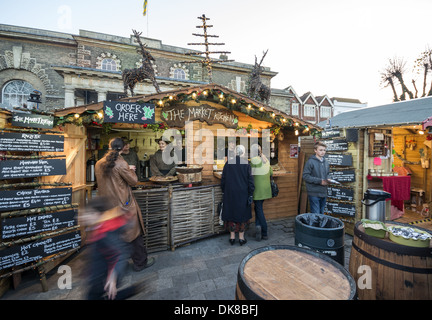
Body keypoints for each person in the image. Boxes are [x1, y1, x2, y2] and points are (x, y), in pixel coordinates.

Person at [95, 137, 155, 271]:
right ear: (123, 148)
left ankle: (114, 266)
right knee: (134, 235)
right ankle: (140, 263)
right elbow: (134, 181)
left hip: (107, 207)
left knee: (113, 237)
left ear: (109, 146)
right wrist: (130, 169)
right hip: (124, 206)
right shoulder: (121, 164)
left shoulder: (98, 163)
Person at [81, 196, 144, 300]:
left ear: (96, 214)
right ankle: (131, 291)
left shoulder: (105, 233)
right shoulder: (97, 228)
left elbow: (120, 254)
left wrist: (113, 277)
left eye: (87, 213)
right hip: (99, 276)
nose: (83, 217)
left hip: (104, 277)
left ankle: (131, 291)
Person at [221, 145, 255, 246]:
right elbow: (250, 182)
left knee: (231, 215)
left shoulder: (228, 163)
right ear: (243, 153)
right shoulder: (246, 164)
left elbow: (223, 180)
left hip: (230, 193)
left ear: (235, 152)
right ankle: (241, 238)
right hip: (242, 194)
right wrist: (250, 193)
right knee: (242, 215)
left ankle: (232, 237)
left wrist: (224, 190)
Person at [250, 144, 273, 241]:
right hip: (265, 189)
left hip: (257, 189)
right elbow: (271, 172)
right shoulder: (266, 160)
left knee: (259, 210)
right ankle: (258, 228)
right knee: (258, 208)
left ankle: (264, 232)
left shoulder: (253, 161)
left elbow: (250, 173)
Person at [302, 141, 330, 214]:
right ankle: (315, 226)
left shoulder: (326, 162)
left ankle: (320, 225)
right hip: (314, 193)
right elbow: (305, 176)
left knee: (321, 213)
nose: (323, 152)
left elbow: (328, 174)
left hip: (323, 192)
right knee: (316, 214)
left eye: (324, 150)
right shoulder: (310, 162)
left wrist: (328, 178)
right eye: (320, 150)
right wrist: (320, 181)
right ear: (315, 150)